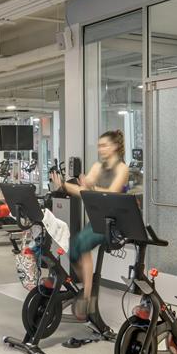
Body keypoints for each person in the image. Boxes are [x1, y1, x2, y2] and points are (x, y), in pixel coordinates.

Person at [49, 130, 130, 320]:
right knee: (73, 248)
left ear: (115, 147)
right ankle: (89, 288)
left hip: (114, 223)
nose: (100, 149)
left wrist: (89, 188)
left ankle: (86, 294)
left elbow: (112, 193)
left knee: (82, 245)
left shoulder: (122, 169)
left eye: (104, 145)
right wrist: (63, 186)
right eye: (99, 145)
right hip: (97, 219)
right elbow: (83, 190)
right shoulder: (97, 167)